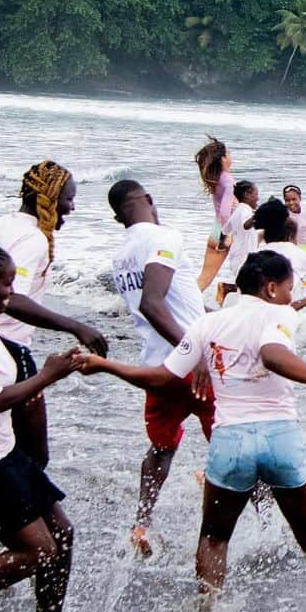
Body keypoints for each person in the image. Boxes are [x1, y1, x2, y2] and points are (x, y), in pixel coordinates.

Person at [80, 249, 306, 612]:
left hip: (230, 443)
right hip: (280, 439)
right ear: (271, 288)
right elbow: (272, 355)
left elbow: (161, 377)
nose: (291, 297)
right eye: (289, 289)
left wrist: (106, 366)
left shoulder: (208, 323)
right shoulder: (279, 314)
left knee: (213, 537)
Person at [107, 179, 210, 557]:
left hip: (155, 365)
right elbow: (153, 303)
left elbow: (173, 302)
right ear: (149, 200)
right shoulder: (165, 236)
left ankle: (142, 523)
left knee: (161, 448)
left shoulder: (120, 255)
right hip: (190, 364)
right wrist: (194, 350)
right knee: (237, 438)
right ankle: (265, 526)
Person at [0, 160, 108, 468]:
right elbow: (13, 299)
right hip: (8, 350)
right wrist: (74, 325)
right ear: (51, 198)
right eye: (69, 198)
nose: (71, 207)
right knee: (34, 454)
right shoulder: (33, 239)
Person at [0, 246, 82, 612]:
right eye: (6, 282)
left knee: (62, 534)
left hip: (5, 453)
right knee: (39, 550)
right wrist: (47, 376)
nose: (12, 291)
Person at [195, 137, 235, 292]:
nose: (230, 157)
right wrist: (227, 235)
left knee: (203, 279)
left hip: (215, 231)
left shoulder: (216, 179)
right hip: (225, 233)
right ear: (222, 159)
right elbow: (226, 212)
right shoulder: (228, 180)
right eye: (228, 154)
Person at [215, 180, 261, 306]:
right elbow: (246, 225)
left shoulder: (238, 211)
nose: (258, 197)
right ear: (247, 194)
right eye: (256, 194)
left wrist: (221, 245)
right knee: (249, 292)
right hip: (243, 258)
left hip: (239, 257)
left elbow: (224, 230)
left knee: (251, 287)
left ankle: (227, 288)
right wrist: (258, 214)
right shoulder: (245, 210)